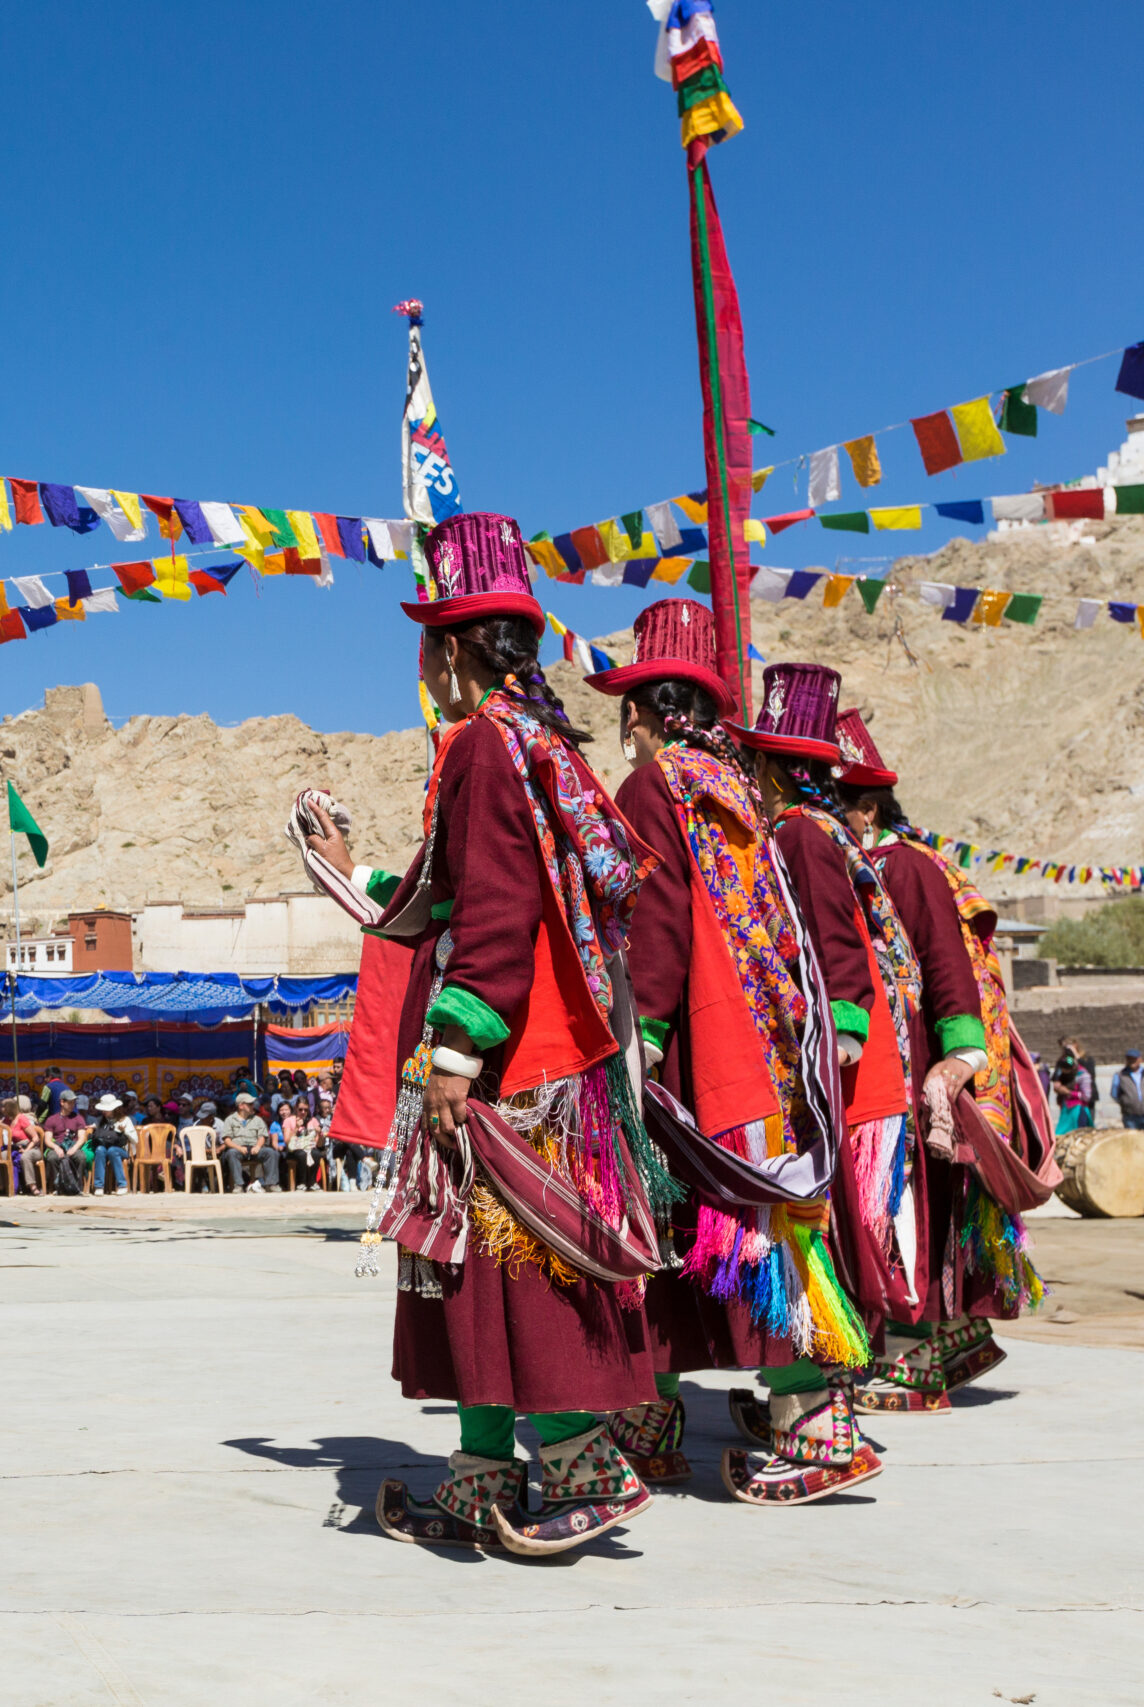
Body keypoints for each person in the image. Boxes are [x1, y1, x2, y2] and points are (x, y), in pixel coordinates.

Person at [307, 511, 657, 1557]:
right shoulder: (540, 745)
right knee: (464, 1274)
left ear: (453, 650)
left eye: (427, 645)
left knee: (511, 1275)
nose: (423, 664)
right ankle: (476, 1476)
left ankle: (588, 1470)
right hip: (553, 1051)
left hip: (514, 1065)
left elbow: (495, 911)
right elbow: (443, 893)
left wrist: (456, 1055)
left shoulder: (482, 747)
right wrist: (346, 862)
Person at [586, 617, 881, 1505]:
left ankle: (811, 1426)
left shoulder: (655, 785)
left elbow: (659, 920)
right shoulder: (739, 792)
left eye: (626, 712)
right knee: (751, 1225)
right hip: (770, 1050)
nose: (624, 730)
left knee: (699, 1227)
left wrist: (636, 1043)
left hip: (697, 1045)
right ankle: (658, 1415)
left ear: (641, 710)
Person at [837, 711, 1045, 1410]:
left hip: (918, 1066)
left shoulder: (907, 866)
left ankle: (921, 1354)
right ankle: (941, 1337)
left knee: (911, 1204)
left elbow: (948, 969)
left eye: (839, 802)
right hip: (889, 1061)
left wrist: (956, 1059)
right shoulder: (869, 863)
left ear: (867, 808)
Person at [216, 1091, 276, 1192]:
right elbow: (227, 1140)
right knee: (231, 1153)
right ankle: (238, 1185)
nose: (253, 1106)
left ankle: (271, 1184)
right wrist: (239, 1148)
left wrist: (258, 1146)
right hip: (238, 1149)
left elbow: (262, 1136)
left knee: (270, 1152)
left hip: (254, 1148)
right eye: (250, 1104)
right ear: (241, 1106)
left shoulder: (258, 1120)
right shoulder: (230, 1120)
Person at [42, 1096, 91, 1195]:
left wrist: (74, 1148)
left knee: (81, 1157)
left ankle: (77, 1186)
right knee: (52, 1157)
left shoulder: (78, 1118)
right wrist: (56, 1148)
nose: (72, 1105)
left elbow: (81, 1138)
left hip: (73, 1145)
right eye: (70, 1102)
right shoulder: (52, 1119)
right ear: (62, 1102)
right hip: (57, 1145)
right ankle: (58, 1187)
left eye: (73, 1103)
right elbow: (47, 1139)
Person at [88, 1092, 133, 1193]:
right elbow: (96, 1137)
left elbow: (130, 1140)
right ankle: (99, 1186)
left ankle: (122, 1185)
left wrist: (123, 1132)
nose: (104, 1111)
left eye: (106, 1109)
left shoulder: (124, 1120)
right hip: (103, 1148)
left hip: (120, 1150)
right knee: (99, 1150)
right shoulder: (100, 1121)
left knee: (113, 1151)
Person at [1051, 1037, 1095, 1135]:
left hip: (1078, 1110)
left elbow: (1086, 1096)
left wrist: (1068, 1092)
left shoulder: (1083, 1074)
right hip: (1066, 1109)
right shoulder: (1064, 1062)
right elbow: (1058, 1072)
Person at [3, 1095, 44, 1194]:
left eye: (4, 1106)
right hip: (16, 1147)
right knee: (2, 1155)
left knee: (25, 1157)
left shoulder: (22, 1119)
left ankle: (32, 1186)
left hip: (32, 1148)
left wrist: (26, 1150)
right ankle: (4, 1186)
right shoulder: (7, 1120)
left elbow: (35, 1138)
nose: (2, 1109)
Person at [1117, 1053, 1144, 1130]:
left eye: (1134, 1059)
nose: (1132, 1061)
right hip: (1130, 1116)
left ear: (1140, 1060)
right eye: (1129, 1059)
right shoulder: (1121, 1075)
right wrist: (1126, 1102)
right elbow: (1115, 1094)